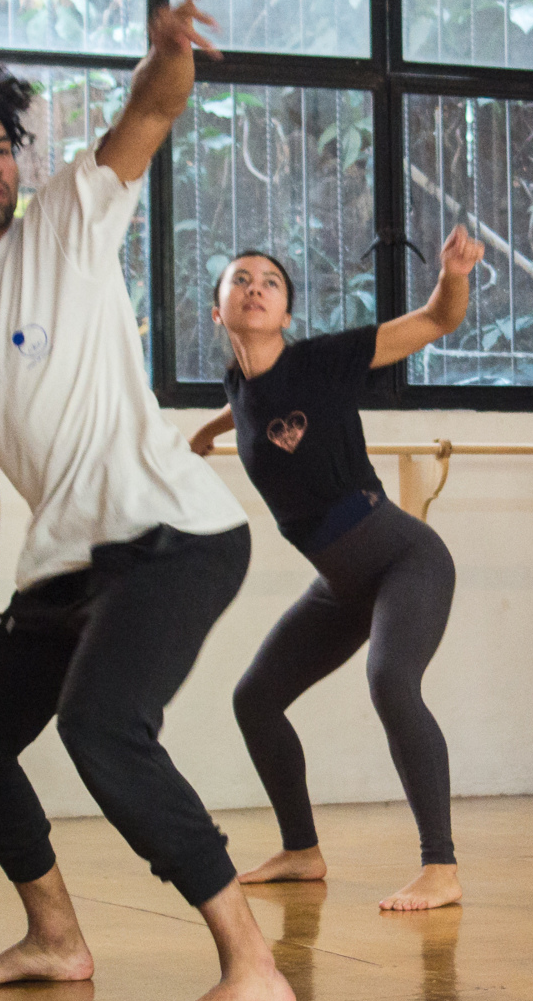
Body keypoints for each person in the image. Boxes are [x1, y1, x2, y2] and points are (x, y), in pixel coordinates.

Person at [0, 0, 294, 1001]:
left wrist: (168, 54)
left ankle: (253, 966)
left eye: (1, 147)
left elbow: (148, 114)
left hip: (173, 532)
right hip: (65, 566)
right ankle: (55, 936)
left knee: (102, 725)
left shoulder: (63, 223)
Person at [186, 228, 485, 912]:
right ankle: (301, 851)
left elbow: (436, 320)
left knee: (391, 682)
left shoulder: (323, 361)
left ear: (286, 313)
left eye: (270, 282)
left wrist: (454, 274)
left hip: (405, 560)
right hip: (341, 584)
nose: (255, 288)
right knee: (255, 699)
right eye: (241, 280)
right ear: (218, 311)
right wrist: (206, 432)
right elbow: (248, 406)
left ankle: (440, 866)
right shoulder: (237, 381)